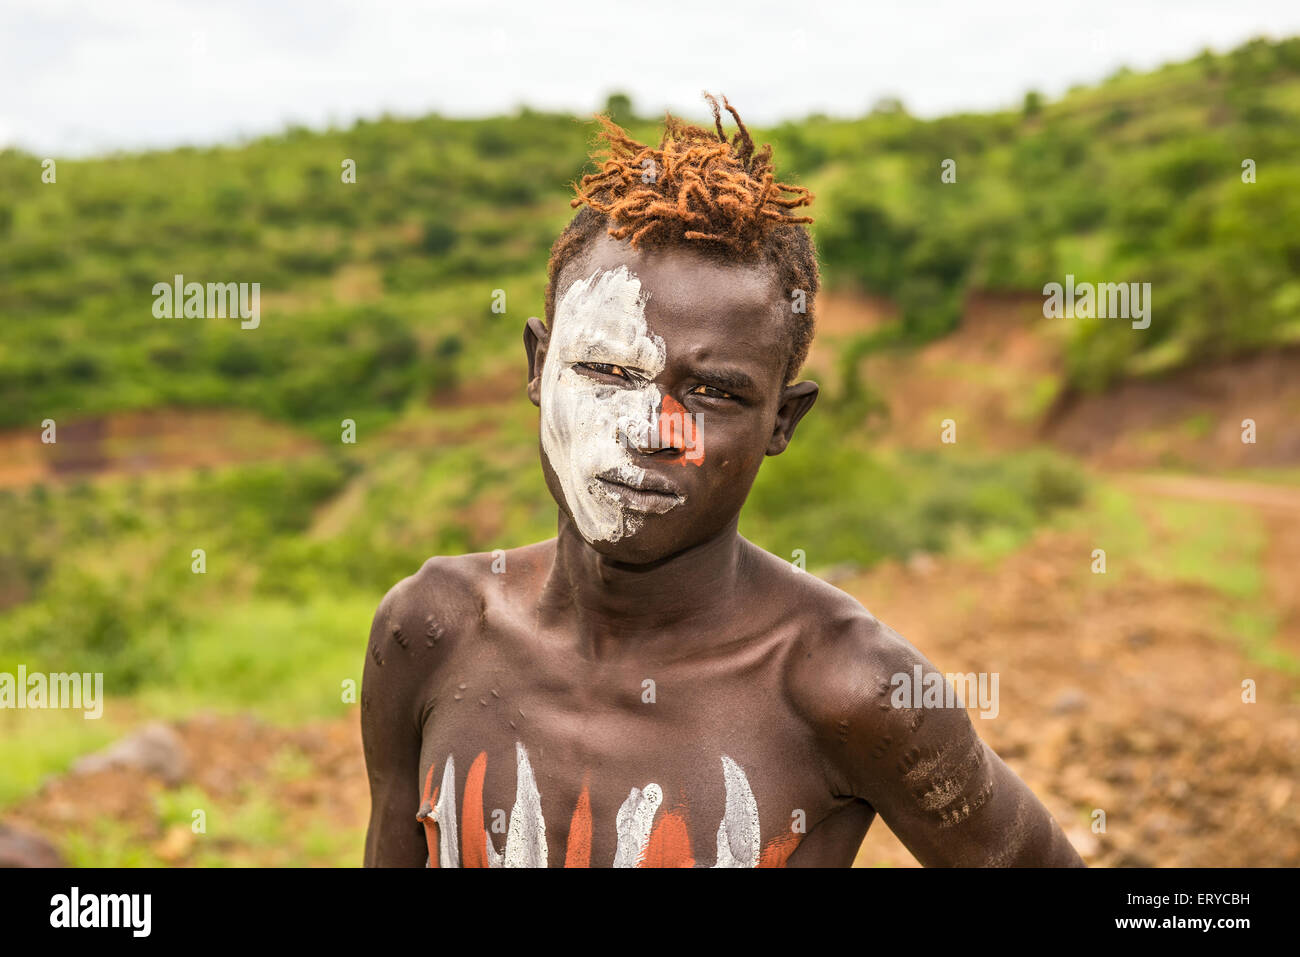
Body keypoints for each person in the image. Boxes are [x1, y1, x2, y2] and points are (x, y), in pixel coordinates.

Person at [361, 94, 1084, 867]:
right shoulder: (429, 633)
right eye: (607, 370)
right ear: (539, 367)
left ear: (782, 421)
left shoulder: (849, 689)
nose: (649, 429)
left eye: (712, 393)